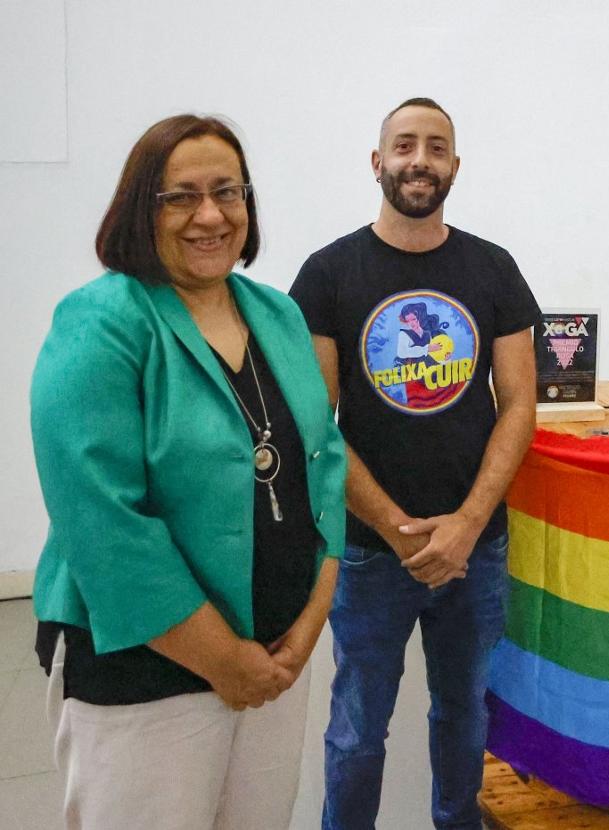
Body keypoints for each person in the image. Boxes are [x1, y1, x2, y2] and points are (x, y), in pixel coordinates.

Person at [30, 114, 347, 829]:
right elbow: (105, 525)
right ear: (141, 207)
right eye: (180, 196)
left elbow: (323, 462)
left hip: (276, 656)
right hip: (146, 664)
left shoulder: (277, 314)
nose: (210, 215)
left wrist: (307, 622)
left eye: (227, 192)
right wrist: (225, 661)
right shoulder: (101, 322)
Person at [289, 96, 539, 830]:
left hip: (476, 550)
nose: (419, 160)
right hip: (369, 553)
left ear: (455, 166)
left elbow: (519, 403)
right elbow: (316, 425)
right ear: (378, 162)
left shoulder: (493, 269)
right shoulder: (328, 273)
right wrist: (396, 528)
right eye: (404, 146)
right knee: (358, 729)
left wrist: (467, 524)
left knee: (465, 718)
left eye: (435, 147)